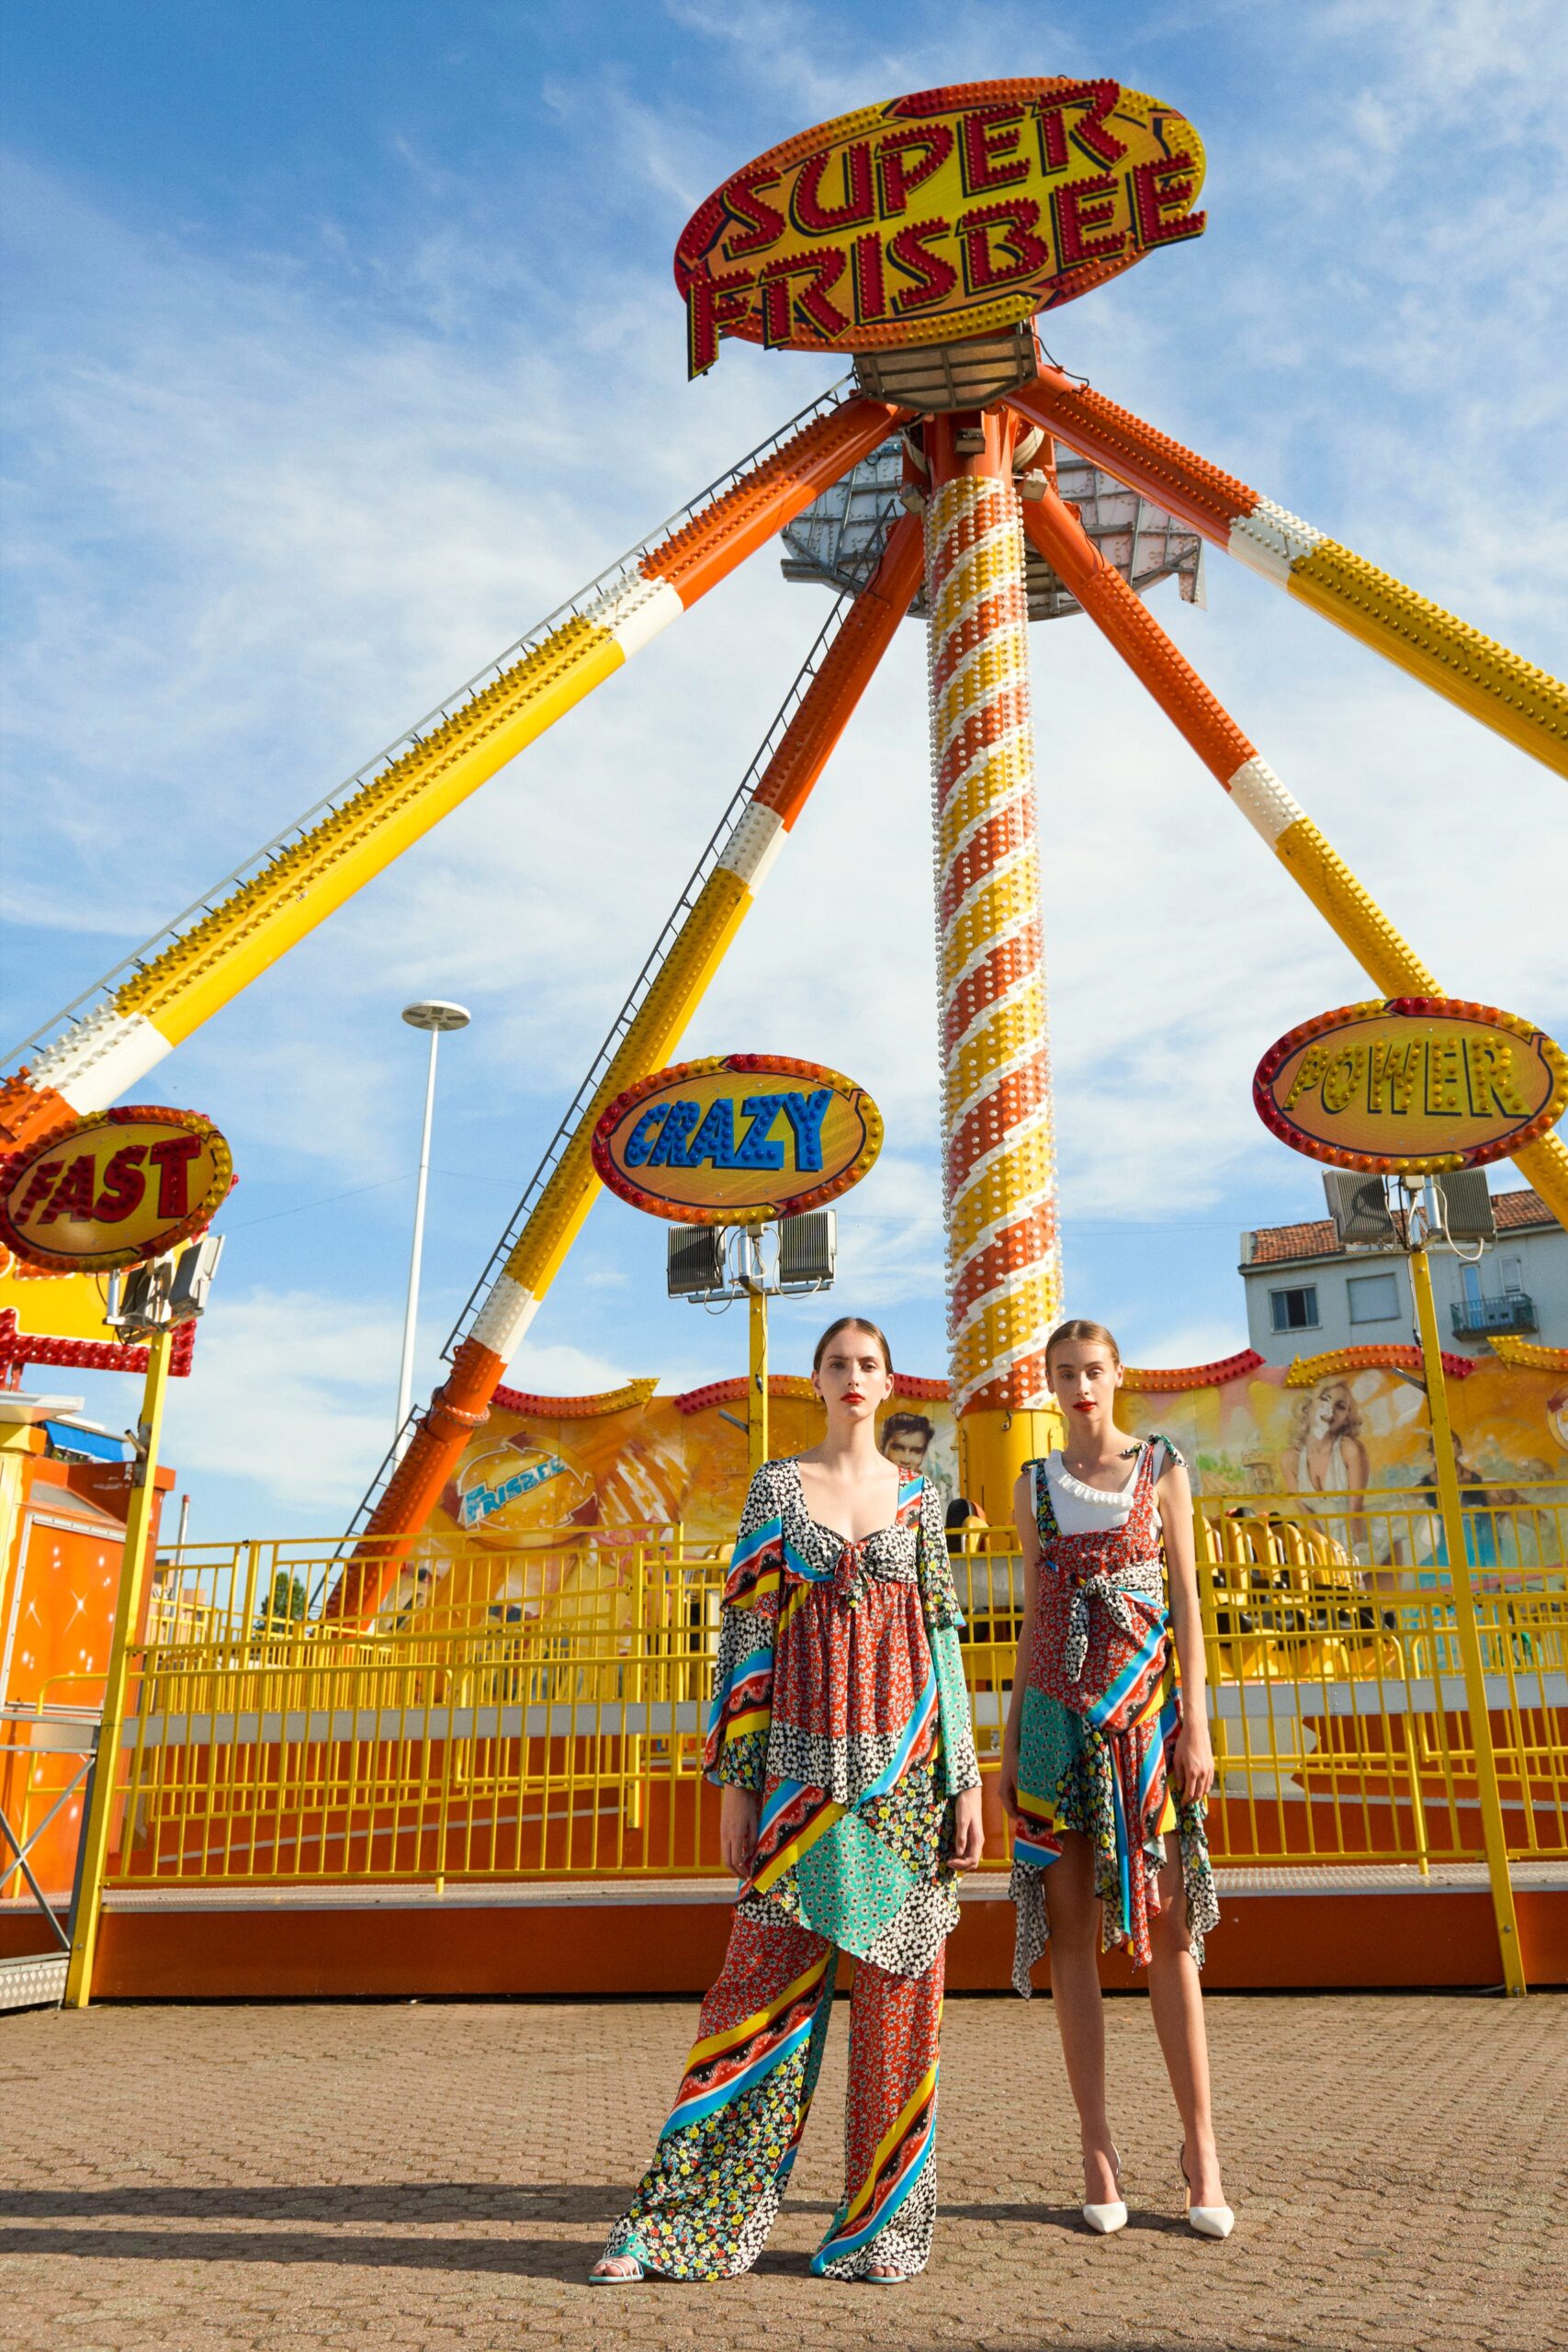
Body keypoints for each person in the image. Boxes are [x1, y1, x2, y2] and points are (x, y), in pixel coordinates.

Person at [592, 1316, 985, 2284]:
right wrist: (735, 1782)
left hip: (905, 1779)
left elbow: (944, 1641)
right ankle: (679, 2225)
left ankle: (878, 2231)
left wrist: (965, 1779)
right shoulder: (777, 1487)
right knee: (753, 1998)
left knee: (902, 2007)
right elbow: (746, 1640)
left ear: (891, 1383)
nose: (854, 1377)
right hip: (797, 1785)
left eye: (869, 1364)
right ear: (815, 1379)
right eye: (837, 1363)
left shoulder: (924, 1501)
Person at [1000, 1318, 1232, 2240]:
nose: (1081, 1386)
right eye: (1065, 1374)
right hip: (1055, 1720)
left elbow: (1186, 1599)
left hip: (1147, 1718)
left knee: (1170, 1931)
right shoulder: (1031, 1485)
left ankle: (1201, 2150)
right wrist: (1011, 1733)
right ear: (1049, 1385)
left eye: (1093, 1371)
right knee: (1070, 1935)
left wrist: (1197, 1727)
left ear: (1116, 1375)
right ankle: (1096, 2147)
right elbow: (1031, 1607)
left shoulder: (1163, 1465)